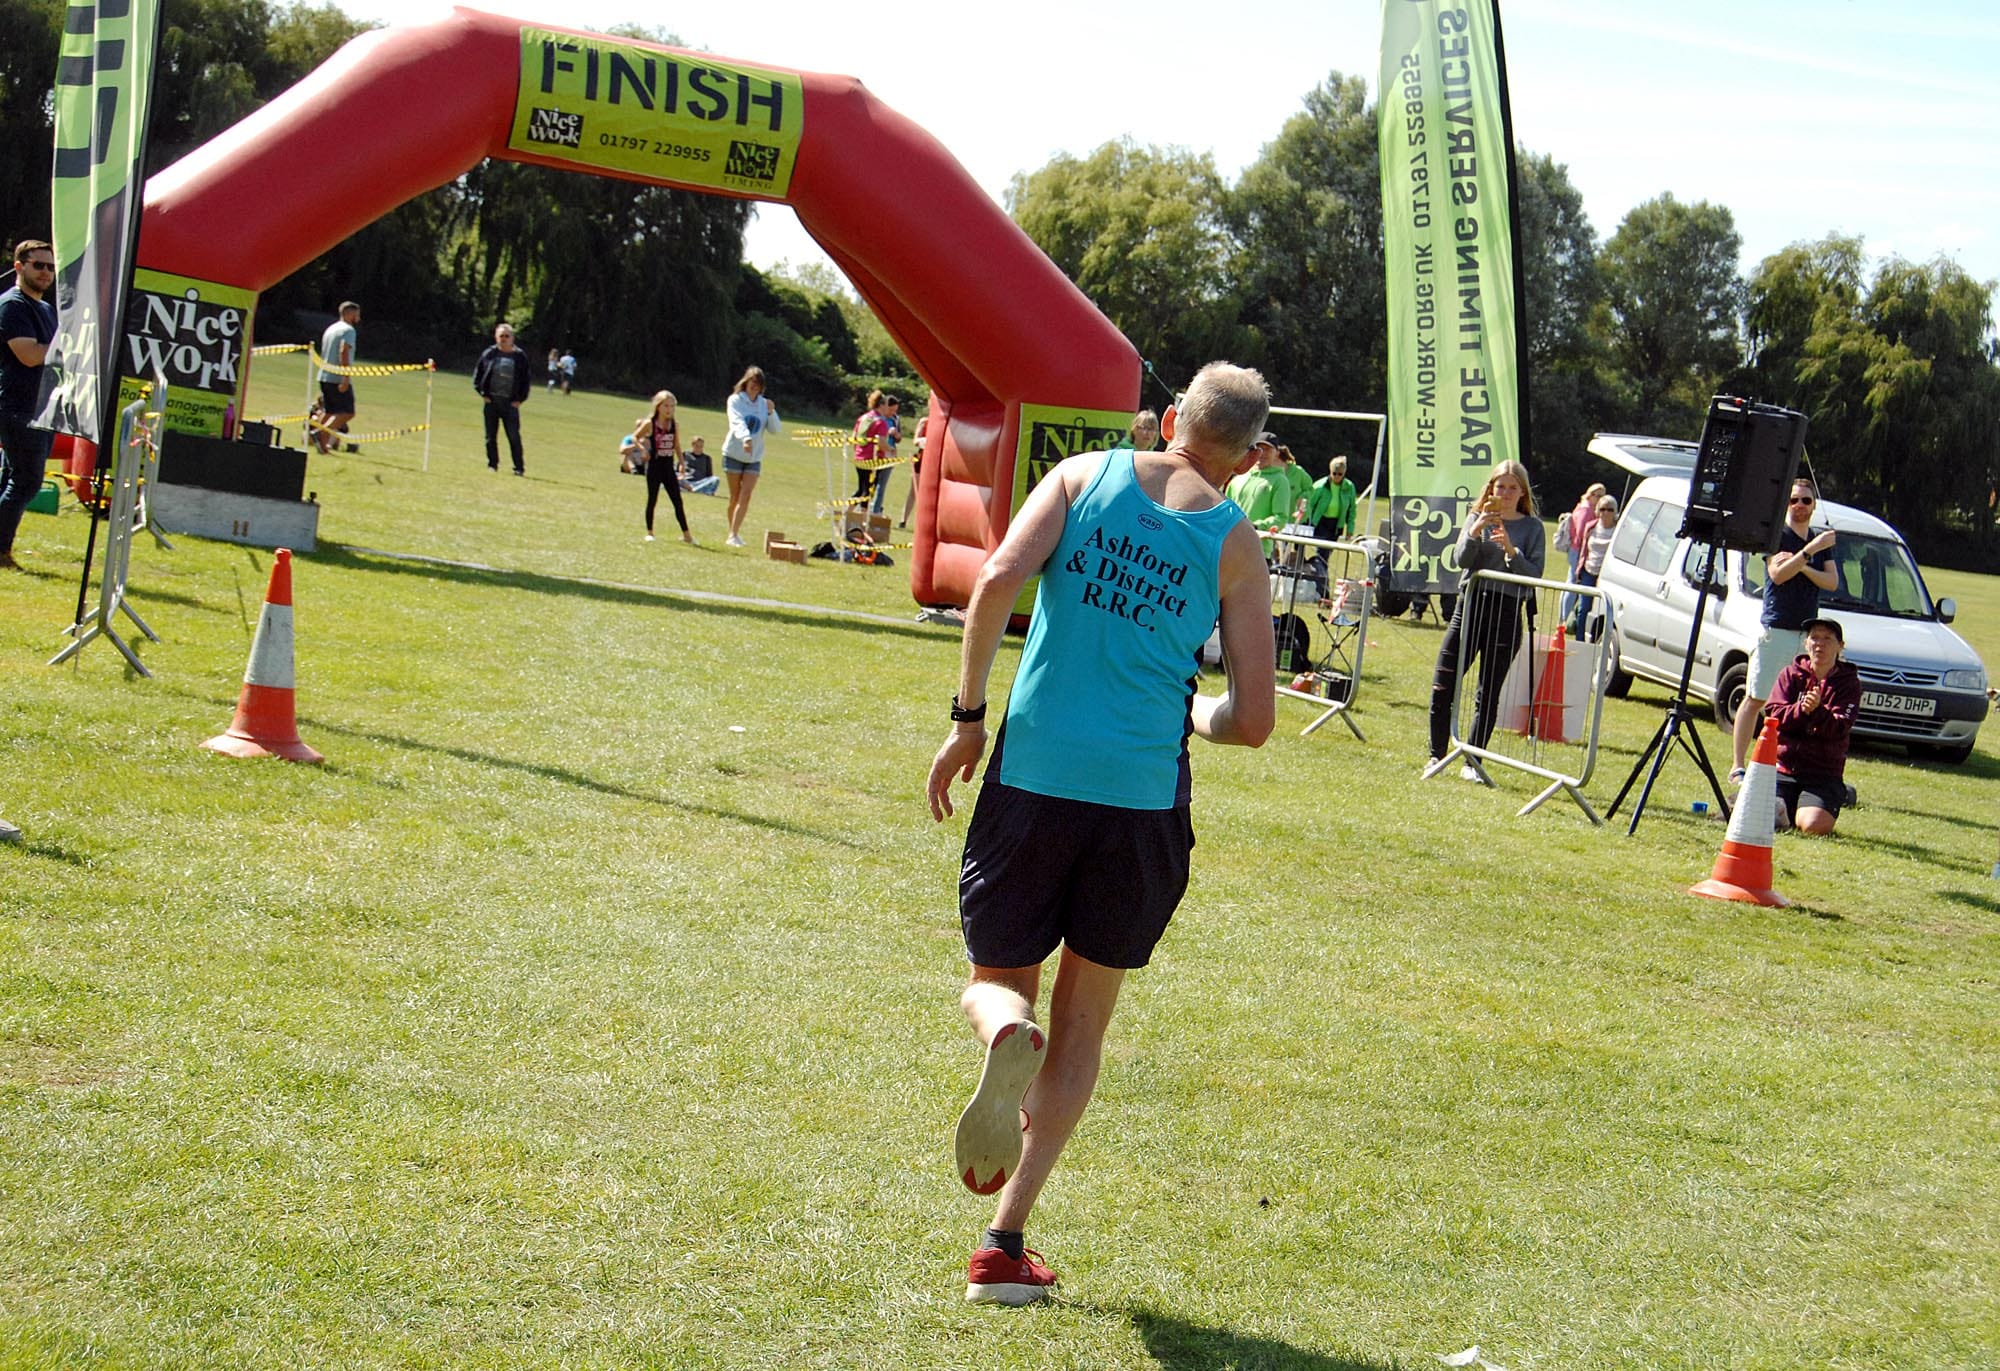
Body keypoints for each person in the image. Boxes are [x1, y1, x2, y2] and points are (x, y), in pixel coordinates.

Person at [926, 361, 1276, 1307]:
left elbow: (996, 576)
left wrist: (968, 718)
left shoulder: (1083, 475)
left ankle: (1005, 1028)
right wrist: (1193, 713)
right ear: (1248, 459)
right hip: (1142, 799)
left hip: (1035, 770)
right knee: (1084, 1021)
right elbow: (1252, 719)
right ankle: (1002, 1245)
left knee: (999, 982)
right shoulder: (1235, 540)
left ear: (1171, 416)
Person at [1427, 461, 1547, 775]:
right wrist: (1476, 530)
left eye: (1512, 488)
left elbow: (1534, 574)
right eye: (1500, 486)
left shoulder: (1533, 528)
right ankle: (1436, 755)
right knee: (1443, 683)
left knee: (1488, 694)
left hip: (1506, 612)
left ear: (1522, 492)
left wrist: (1511, 550)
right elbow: (1460, 560)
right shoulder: (1476, 517)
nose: (1505, 493)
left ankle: (1472, 761)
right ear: (1491, 488)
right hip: (1470, 607)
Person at [1730, 478, 1836, 785]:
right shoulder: (1777, 535)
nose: (1800, 505)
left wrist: (1801, 564)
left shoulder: (1820, 540)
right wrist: (1810, 552)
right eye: (1794, 500)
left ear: (1814, 505)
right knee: (1757, 697)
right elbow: (1777, 574)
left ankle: (1785, 765)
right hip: (1777, 628)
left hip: (1807, 634)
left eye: (1806, 500)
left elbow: (1831, 582)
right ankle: (1738, 766)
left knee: (1798, 703)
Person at [1764, 617, 1861, 834]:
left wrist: (1818, 711)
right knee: (1756, 815)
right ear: (1806, 643)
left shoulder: (1849, 683)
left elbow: (1839, 727)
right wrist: (1801, 709)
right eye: (1814, 638)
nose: (1820, 644)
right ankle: (1788, 807)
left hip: (1823, 773)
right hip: (1783, 768)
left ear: (1840, 646)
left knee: (1812, 826)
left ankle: (1838, 795)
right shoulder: (1790, 675)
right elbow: (1773, 714)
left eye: (1827, 639)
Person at [0, 239, 58, 571]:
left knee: (12, 478)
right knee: (26, 481)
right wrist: (67, 349)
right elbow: (29, 355)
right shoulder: (13, 305)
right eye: (38, 265)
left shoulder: (46, 309)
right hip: (16, 406)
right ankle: (0, 552)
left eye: (51, 266)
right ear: (19, 267)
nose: (46, 272)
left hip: (41, 407)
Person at [721, 365, 780, 546]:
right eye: (752, 382)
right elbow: (736, 421)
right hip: (734, 453)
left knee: (746, 495)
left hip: (754, 457)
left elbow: (775, 430)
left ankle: (733, 534)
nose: (754, 386)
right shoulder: (735, 400)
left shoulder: (764, 404)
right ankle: (732, 532)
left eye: (758, 383)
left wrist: (771, 412)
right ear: (745, 382)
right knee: (735, 496)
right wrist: (746, 439)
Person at [472, 322, 531, 474]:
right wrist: (483, 394)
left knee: (513, 437)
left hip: (510, 404)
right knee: (490, 437)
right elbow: (478, 376)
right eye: (501, 336)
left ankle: (518, 468)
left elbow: (526, 380)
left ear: (512, 338)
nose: (504, 339)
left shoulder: (520, 357)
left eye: (507, 336)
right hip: (491, 402)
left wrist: (520, 400)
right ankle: (492, 465)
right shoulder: (489, 354)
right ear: (496, 337)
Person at [636, 390, 693, 544]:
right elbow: (635, 437)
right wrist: (642, 449)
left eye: (672, 406)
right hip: (654, 466)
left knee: (677, 500)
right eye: (666, 406)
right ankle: (650, 532)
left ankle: (687, 535)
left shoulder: (674, 425)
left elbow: (676, 445)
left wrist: (682, 463)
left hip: (668, 466)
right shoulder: (650, 423)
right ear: (658, 406)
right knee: (652, 499)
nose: (669, 409)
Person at [1223, 433, 1289, 558]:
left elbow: (1281, 518)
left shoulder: (1280, 481)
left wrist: (1256, 526)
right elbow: (1224, 510)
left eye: (1267, 449)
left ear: (1276, 453)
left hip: (1257, 550)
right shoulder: (1238, 478)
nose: (1262, 453)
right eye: (1258, 448)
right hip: (1229, 546)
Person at [1555, 482, 1606, 625]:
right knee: (1572, 586)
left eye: (1602, 496)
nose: (1600, 499)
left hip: (1576, 550)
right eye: (1598, 496)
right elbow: (1582, 532)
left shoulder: (1583, 507)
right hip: (1578, 551)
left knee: (1570, 585)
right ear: (1591, 495)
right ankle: (1563, 619)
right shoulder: (1586, 510)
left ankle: (1562, 619)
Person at [1569, 493, 1619, 638]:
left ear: (1615, 512)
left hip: (1607, 574)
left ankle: (1600, 639)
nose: (1606, 513)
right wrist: (1579, 569)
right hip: (1589, 571)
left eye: (1610, 509)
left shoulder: (1618, 530)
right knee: (1584, 608)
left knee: (1605, 608)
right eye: (1602, 509)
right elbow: (1584, 549)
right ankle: (1579, 639)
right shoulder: (1591, 527)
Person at [314, 300, 360, 455]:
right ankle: (321, 433)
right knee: (347, 412)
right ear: (350, 314)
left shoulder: (331, 328)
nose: (358, 318)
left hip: (324, 375)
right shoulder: (349, 330)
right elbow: (343, 350)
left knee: (329, 411)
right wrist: (345, 377)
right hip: (336, 377)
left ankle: (321, 444)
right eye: (356, 314)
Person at [850, 389, 891, 512]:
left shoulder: (863, 418)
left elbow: (854, 437)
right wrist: (890, 449)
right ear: (881, 405)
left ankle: (847, 513)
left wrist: (857, 451)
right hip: (871, 460)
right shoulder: (881, 422)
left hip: (859, 457)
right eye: (887, 405)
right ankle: (863, 518)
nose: (887, 408)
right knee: (867, 490)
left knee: (862, 489)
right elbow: (881, 443)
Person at [1303, 454, 1358, 541]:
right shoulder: (1320, 486)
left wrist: (1350, 530)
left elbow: (1352, 510)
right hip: (1320, 522)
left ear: (1344, 473)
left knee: (1329, 548)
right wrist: (1307, 524)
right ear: (1330, 471)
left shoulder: (1349, 487)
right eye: (1334, 473)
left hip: (1337, 524)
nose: (1337, 476)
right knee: (1322, 548)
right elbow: (1310, 505)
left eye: (1340, 474)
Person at [869, 394, 903, 516]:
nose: (893, 413)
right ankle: (864, 508)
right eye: (891, 410)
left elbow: (899, 438)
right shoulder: (878, 418)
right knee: (871, 482)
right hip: (877, 453)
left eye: (895, 410)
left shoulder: (895, 419)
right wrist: (887, 432)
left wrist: (897, 435)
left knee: (881, 484)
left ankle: (876, 510)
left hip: (890, 454)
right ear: (885, 406)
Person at [901, 412, 929, 529]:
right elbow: (915, 440)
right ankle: (903, 520)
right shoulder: (924, 421)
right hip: (921, 458)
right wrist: (924, 440)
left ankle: (924, 523)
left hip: (935, 461)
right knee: (914, 490)